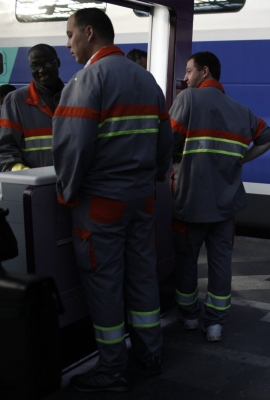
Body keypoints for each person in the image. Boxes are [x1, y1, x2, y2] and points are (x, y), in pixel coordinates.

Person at [52, 8, 172, 392]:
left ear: (89, 33)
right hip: (142, 199)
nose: (67, 44)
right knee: (142, 278)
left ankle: (112, 370)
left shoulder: (88, 80)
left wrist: (67, 193)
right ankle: (150, 355)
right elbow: (164, 142)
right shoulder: (147, 81)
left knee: (104, 286)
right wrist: (152, 178)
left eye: (70, 35)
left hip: (101, 203)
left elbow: (73, 147)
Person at [169, 51, 270, 342]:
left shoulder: (188, 100)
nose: (186, 78)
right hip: (226, 203)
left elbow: (167, 140)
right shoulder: (241, 111)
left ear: (205, 71)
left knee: (186, 260)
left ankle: (190, 315)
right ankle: (215, 324)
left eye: (189, 71)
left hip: (190, 201)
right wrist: (241, 159)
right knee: (220, 262)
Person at [0, 45, 63, 172]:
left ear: (58, 63)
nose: (41, 70)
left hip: (71, 183)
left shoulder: (74, 96)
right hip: (34, 187)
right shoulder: (15, 101)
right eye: (35, 66)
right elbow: (6, 148)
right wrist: (21, 171)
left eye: (46, 64)